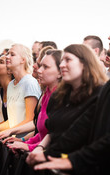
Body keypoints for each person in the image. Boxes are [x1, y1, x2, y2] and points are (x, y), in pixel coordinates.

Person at [26, 44, 108, 173]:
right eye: (62, 60)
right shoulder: (59, 96)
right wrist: (42, 150)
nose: (62, 64)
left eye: (68, 60)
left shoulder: (100, 94)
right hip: (57, 164)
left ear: (85, 63)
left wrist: (71, 160)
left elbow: (87, 135)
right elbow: (64, 133)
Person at [0, 43, 41, 175]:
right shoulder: (12, 84)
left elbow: (31, 121)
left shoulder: (29, 82)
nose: (7, 56)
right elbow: (12, 119)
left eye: (12, 54)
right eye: (8, 54)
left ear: (23, 60)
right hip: (10, 143)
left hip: (24, 145)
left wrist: (5, 133)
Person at [5, 49, 62, 152]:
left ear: (60, 72)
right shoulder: (47, 93)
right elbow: (41, 134)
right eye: (40, 66)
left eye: (45, 67)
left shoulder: (60, 97)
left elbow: (55, 137)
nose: (39, 70)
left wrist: (28, 146)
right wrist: (23, 142)